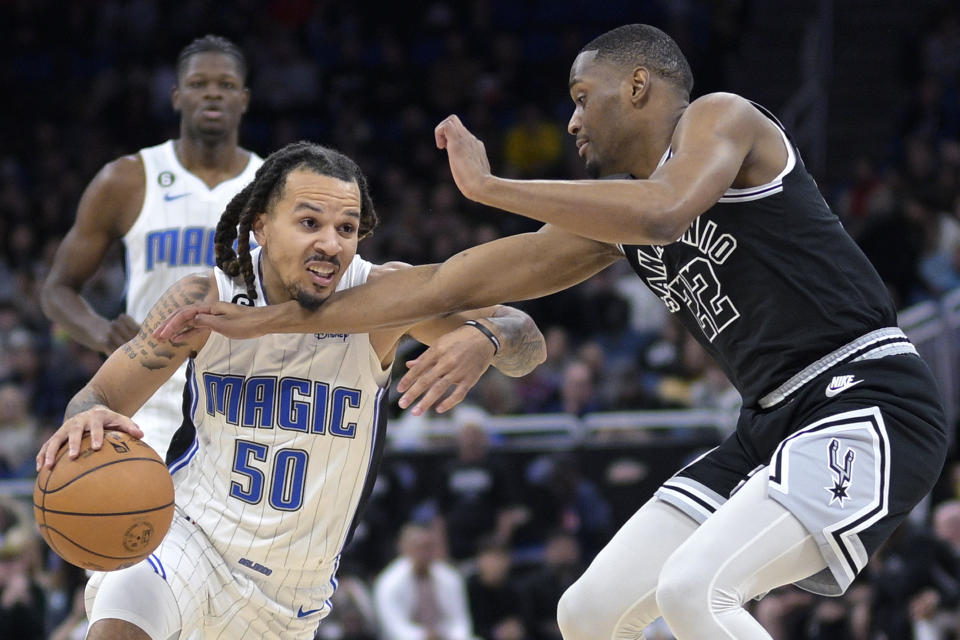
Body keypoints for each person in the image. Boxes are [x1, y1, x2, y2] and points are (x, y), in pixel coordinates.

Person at [156, 24, 950, 639]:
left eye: (581, 95)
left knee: (690, 589)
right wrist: (262, 320)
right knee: (591, 613)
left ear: (638, 86)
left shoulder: (720, 120)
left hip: (865, 394)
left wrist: (489, 183)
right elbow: (438, 287)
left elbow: (669, 210)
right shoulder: (612, 217)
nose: (571, 119)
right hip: (769, 423)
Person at [36, 141, 546, 640]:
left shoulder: (384, 298)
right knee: (119, 626)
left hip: (289, 595)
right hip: (189, 539)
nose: (331, 243)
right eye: (309, 223)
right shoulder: (205, 299)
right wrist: (84, 416)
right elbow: (97, 396)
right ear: (261, 223)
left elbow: (528, 341)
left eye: (346, 228)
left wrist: (489, 338)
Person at [40, 34, 264, 458]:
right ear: (177, 97)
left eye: (226, 84)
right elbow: (57, 288)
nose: (212, 92)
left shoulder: (274, 184)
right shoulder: (127, 179)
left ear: (245, 98)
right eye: (199, 83)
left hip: (245, 396)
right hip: (148, 399)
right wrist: (101, 332)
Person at [373, 522, 474, 640]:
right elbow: (394, 627)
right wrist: (423, 636)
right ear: (405, 548)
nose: (424, 552)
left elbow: (460, 622)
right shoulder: (388, 583)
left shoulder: (450, 577)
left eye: (428, 546)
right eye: (419, 547)